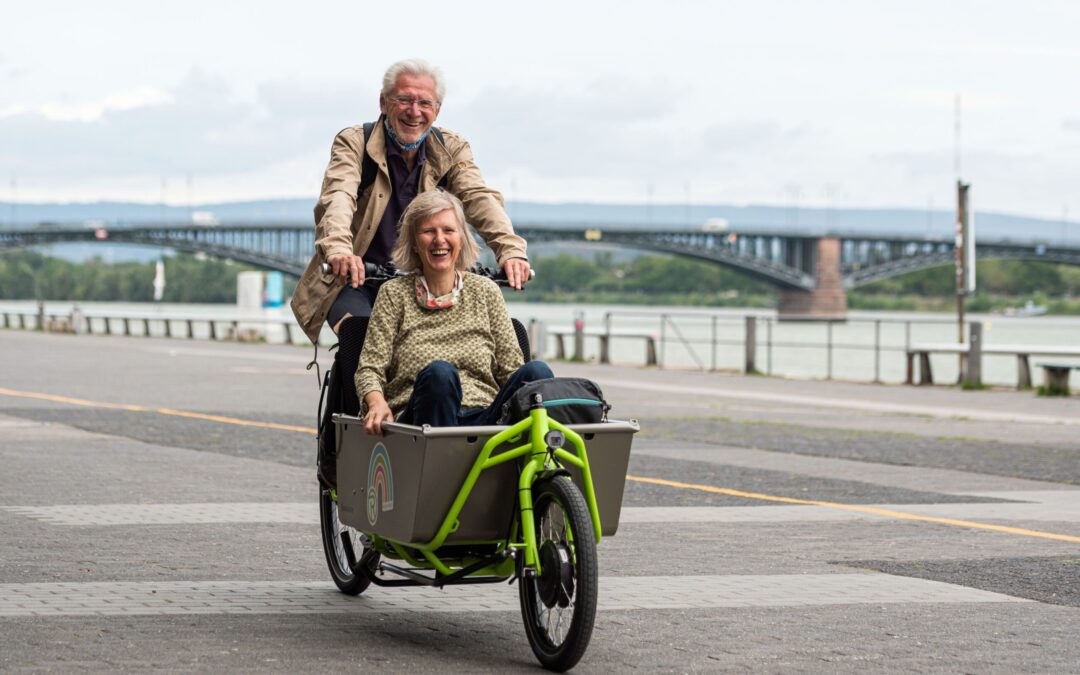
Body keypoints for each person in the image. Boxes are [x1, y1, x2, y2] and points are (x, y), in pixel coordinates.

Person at [290, 58, 531, 343]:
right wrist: (340, 251)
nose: (414, 112)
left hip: (429, 280)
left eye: (425, 103)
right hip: (358, 280)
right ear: (383, 102)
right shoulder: (354, 143)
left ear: (437, 111)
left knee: (474, 344)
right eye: (404, 100)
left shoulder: (451, 149)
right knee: (360, 339)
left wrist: (511, 250)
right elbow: (338, 196)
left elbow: (478, 197)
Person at [357, 190, 552, 435]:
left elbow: (511, 369)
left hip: (485, 419)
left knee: (538, 374)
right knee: (440, 373)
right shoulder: (393, 294)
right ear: (415, 244)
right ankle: (442, 466)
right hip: (421, 420)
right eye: (429, 231)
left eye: (448, 230)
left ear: (461, 239)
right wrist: (375, 402)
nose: (440, 240)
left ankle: (543, 466)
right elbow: (369, 369)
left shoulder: (486, 291)